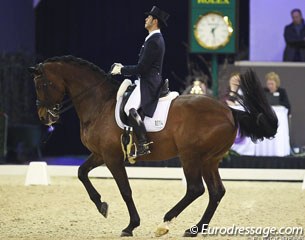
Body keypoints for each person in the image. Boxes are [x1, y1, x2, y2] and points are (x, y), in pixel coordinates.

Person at [110, 6, 170, 157]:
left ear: (155, 21)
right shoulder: (152, 38)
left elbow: (142, 68)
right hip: (145, 80)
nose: (146, 19)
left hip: (149, 82)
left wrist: (122, 70)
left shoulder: (155, 41)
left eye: (148, 17)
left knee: (129, 108)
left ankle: (143, 143)